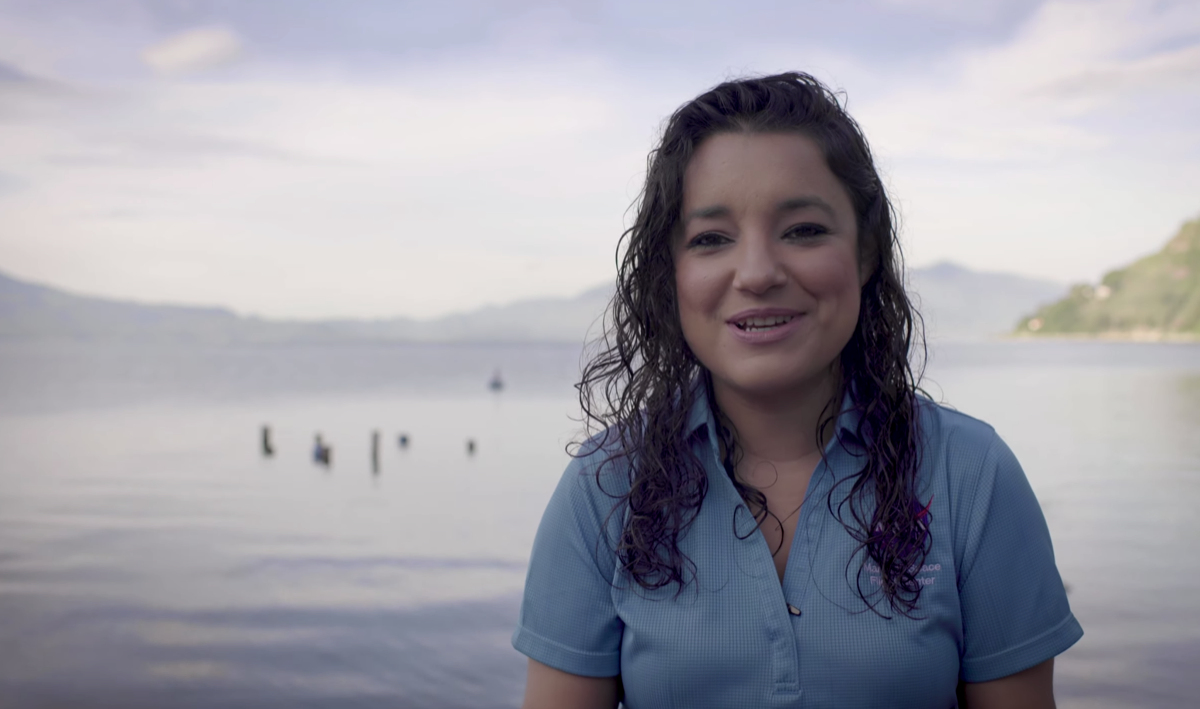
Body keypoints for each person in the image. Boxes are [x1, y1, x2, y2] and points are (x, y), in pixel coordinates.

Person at [512, 72, 1082, 709]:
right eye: (710, 239)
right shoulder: (607, 485)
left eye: (804, 230)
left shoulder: (971, 475)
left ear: (866, 253)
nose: (756, 272)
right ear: (670, 274)